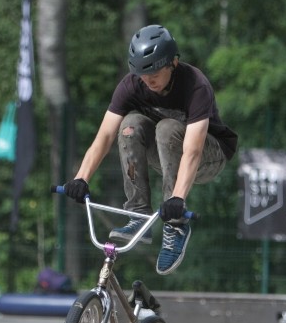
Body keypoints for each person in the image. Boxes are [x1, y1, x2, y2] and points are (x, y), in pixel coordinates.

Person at [62, 24, 238, 275]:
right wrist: (82, 177)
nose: (148, 80)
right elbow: (104, 136)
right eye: (142, 74)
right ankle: (138, 216)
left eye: (154, 72)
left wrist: (177, 200)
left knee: (166, 128)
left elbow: (193, 150)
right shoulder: (132, 85)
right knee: (129, 126)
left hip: (209, 155)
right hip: (166, 153)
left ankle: (175, 227)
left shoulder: (195, 84)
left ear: (173, 63)